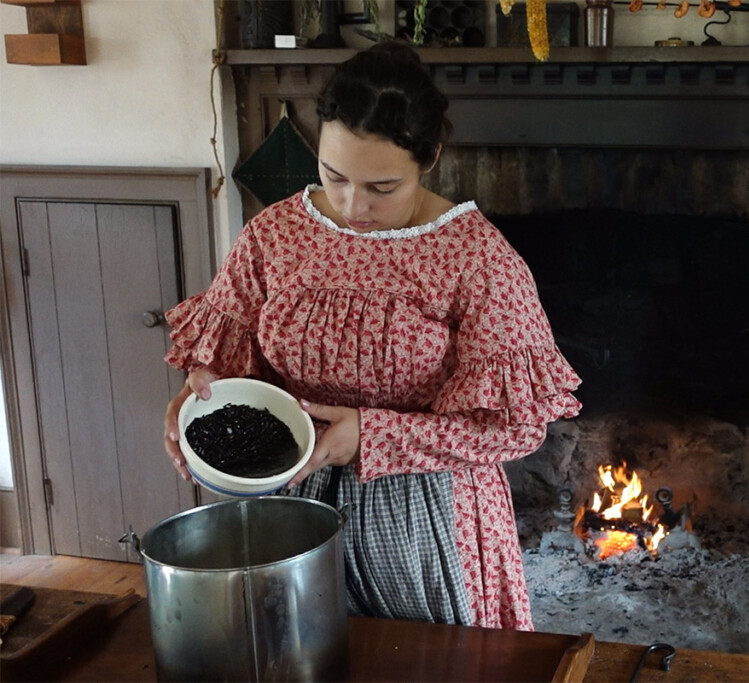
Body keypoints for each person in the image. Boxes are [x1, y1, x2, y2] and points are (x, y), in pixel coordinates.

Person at [162, 41, 581, 631]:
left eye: (381, 187)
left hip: (425, 521)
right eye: (334, 176)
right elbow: (234, 368)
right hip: (292, 502)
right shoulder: (275, 235)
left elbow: (516, 428)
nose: (353, 205)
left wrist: (373, 435)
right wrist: (204, 391)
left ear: (429, 157)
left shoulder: (478, 259)